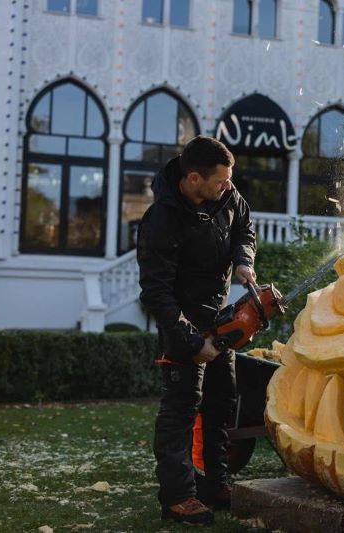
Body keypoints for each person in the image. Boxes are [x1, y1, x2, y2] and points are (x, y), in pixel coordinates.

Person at [137, 135, 256, 525]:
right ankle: (178, 498)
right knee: (181, 411)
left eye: (228, 181)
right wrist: (191, 342)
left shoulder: (226, 194)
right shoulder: (162, 219)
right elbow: (156, 293)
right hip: (180, 325)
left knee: (222, 401)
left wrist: (243, 260)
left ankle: (214, 484)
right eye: (220, 181)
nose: (227, 186)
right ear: (192, 179)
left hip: (218, 315)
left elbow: (244, 227)